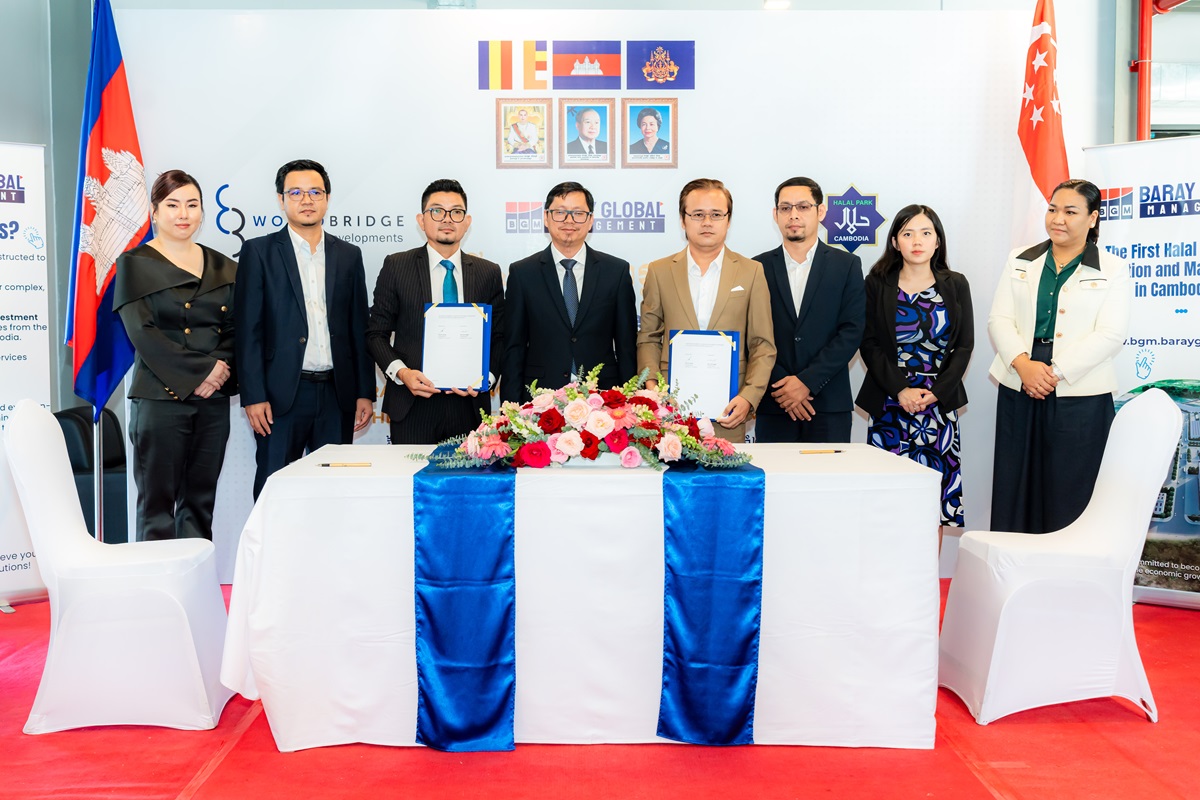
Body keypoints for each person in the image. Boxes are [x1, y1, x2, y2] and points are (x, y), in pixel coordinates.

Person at [988, 178, 1130, 534]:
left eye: (1070, 211)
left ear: (1092, 218)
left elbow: (1111, 334)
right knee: (1014, 482)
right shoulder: (1020, 259)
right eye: (1053, 209)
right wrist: (1023, 365)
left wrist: (1055, 372)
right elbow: (999, 319)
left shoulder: (1113, 268)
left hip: (1080, 390)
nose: (1058, 219)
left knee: (1071, 487)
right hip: (1020, 380)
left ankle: (1067, 563)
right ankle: (1013, 560)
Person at [234, 159, 375, 499]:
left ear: (327, 198)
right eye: (295, 192)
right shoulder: (259, 252)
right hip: (280, 395)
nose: (306, 200)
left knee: (334, 492)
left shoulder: (349, 255)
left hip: (337, 394)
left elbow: (359, 327)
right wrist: (254, 396)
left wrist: (364, 391)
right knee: (275, 489)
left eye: (315, 192)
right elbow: (248, 330)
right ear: (281, 200)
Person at [113, 169, 236, 541]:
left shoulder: (225, 266)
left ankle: (195, 577)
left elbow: (236, 330)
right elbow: (142, 333)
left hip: (212, 402)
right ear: (155, 211)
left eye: (192, 205)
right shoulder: (135, 263)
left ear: (202, 212)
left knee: (200, 504)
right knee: (157, 509)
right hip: (158, 401)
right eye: (172, 205)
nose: (183, 214)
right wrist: (202, 372)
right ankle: (156, 580)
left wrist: (218, 372)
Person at [856, 204, 973, 539]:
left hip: (938, 406)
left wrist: (937, 393)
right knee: (887, 499)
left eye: (925, 233)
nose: (917, 241)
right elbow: (869, 343)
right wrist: (900, 390)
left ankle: (926, 572)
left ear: (938, 241)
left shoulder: (955, 284)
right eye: (907, 233)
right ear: (895, 242)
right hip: (890, 404)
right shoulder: (876, 283)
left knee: (933, 502)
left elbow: (964, 346)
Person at [637, 178, 776, 443]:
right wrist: (653, 388)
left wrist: (749, 397)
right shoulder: (659, 271)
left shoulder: (751, 272)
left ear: (728, 220)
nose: (707, 222)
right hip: (670, 409)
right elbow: (649, 337)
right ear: (683, 219)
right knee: (669, 469)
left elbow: (762, 344)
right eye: (698, 214)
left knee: (726, 470)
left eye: (716, 214)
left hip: (729, 409)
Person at [367, 179, 504, 444]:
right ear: (422, 220)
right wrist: (402, 373)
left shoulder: (488, 272)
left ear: (467, 221)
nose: (447, 219)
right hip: (412, 403)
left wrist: (484, 380)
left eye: (456, 212)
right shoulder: (397, 266)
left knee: (470, 473)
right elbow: (376, 334)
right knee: (410, 471)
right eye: (437, 211)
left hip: (469, 406)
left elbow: (499, 336)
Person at [502, 181, 636, 402]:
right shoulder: (522, 273)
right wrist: (511, 407)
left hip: (603, 398)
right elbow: (514, 347)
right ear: (546, 218)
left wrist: (629, 400)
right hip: (540, 399)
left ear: (590, 220)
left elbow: (626, 346)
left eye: (578, 213)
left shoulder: (616, 271)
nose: (569, 220)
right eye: (560, 213)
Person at [754, 177, 864, 443]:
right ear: (775, 214)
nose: (794, 215)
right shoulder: (756, 267)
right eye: (785, 208)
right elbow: (752, 335)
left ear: (820, 211)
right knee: (774, 472)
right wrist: (783, 385)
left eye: (803, 207)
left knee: (830, 472)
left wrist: (807, 382)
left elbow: (852, 331)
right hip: (775, 401)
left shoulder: (846, 265)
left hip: (828, 403)